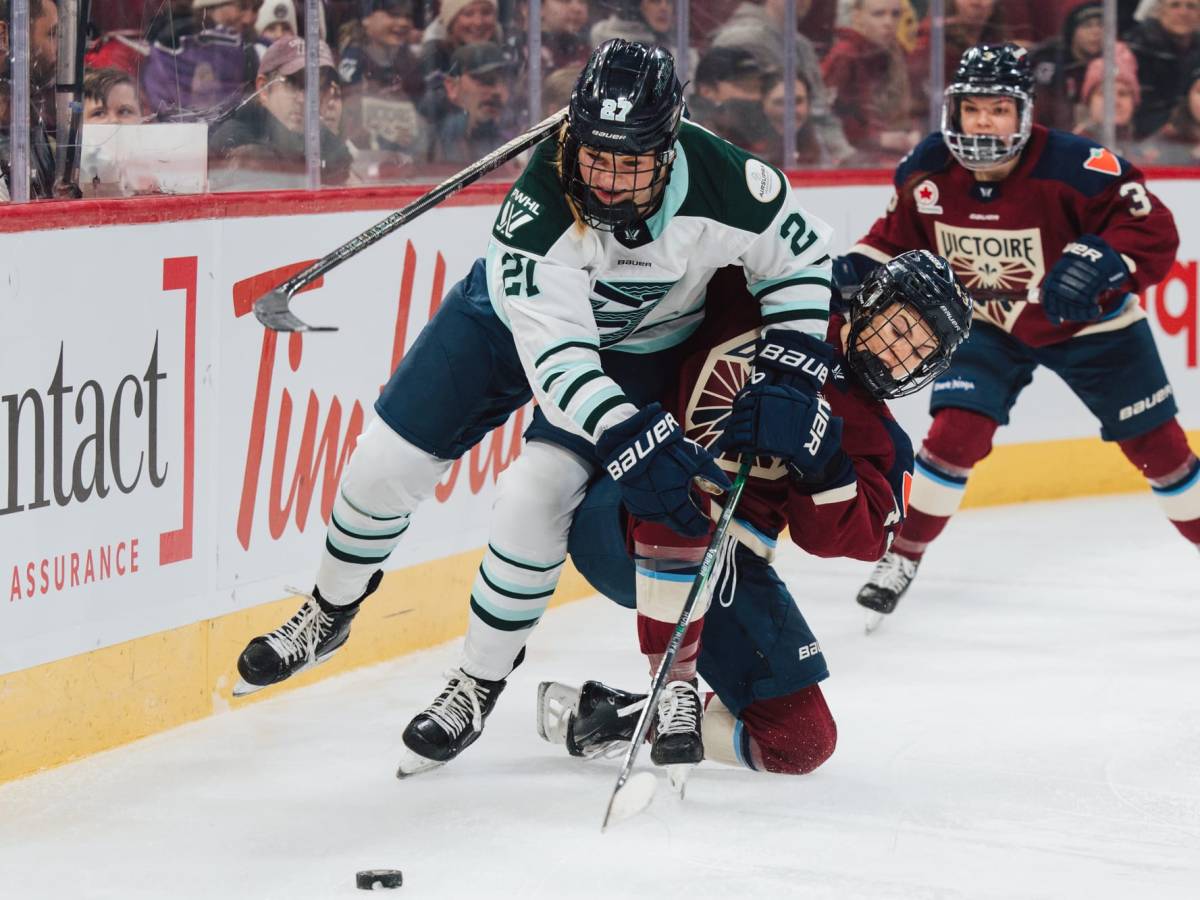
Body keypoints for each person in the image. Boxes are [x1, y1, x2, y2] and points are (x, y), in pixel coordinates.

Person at [231, 40, 837, 781]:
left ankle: (476, 684)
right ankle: (328, 610)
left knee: (532, 494)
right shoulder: (538, 208)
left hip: (640, 351)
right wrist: (625, 432)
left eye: (630, 162)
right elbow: (558, 364)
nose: (608, 183)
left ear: (668, 145)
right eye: (595, 157)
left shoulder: (732, 182)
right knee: (380, 466)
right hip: (507, 324)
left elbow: (802, 262)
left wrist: (792, 371)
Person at [535, 251, 971, 776]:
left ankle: (617, 719)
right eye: (898, 331)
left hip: (731, 562)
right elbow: (714, 244)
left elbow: (850, 540)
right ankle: (673, 688)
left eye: (918, 353)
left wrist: (822, 462)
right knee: (688, 487)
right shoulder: (780, 304)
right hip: (624, 514)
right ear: (872, 302)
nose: (898, 356)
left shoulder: (882, 441)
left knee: (802, 742)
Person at [840, 43, 1195, 624]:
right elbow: (892, 237)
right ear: (954, 111)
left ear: (1025, 114)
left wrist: (1101, 260)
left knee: (1164, 457)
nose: (984, 122)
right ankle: (903, 554)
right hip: (986, 325)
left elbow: (1150, 227)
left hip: (1092, 329)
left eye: (999, 109)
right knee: (954, 434)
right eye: (973, 108)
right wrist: (852, 270)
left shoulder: (1078, 167)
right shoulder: (928, 168)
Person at [208, 36, 353, 189]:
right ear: (264, 89)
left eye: (316, 87)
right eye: (292, 83)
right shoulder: (234, 139)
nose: (303, 99)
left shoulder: (330, 147)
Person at [821, 0, 920, 162]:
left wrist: (912, 131)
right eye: (878, 14)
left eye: (895, 14)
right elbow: (830, 118)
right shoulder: (845, 56)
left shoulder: (895, 53)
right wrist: (878, 138)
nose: (889, 22)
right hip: (859, 160)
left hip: (895, 154)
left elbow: (906, 109)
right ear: (857, 17)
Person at [1124, 0, 1200, 138]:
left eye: (1191, 6)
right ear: (1159, 11)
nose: (1183, 13)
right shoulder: (1135, 49)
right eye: (1175, 5)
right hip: (1143, 139)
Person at [434, 42, 515, 165]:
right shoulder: (435, 136)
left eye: (504, 81)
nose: (497, 91)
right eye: (484, 80)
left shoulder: (520, 130)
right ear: (452, 87)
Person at [1028, 1, 1104, 131]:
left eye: (1101, 25)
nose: (1096, 32)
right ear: (1072, 31)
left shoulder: (1116, 63)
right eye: (1087, 26)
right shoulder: (1050, 60)